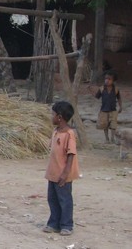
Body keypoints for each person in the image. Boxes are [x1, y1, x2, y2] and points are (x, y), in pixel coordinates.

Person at [43, 101, 80, 236]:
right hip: (53, 172)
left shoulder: (69, 134)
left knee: (64, 199)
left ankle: (66, 225)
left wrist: (65, 173)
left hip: (63, 173)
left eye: (52, 114)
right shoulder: (55, 131)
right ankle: (54, 223)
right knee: (52, 198)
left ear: (59, 117)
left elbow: (71, 154)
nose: (50, 116)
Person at [93, 71, 123, 144]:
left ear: (113, 80)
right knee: (105, 125)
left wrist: (121, 106)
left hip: (113, 110)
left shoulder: (116, 89)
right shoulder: (102, 89)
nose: (107, 80)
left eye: (109, 79)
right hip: (104, 110)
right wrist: (90, 90)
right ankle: (107, 139)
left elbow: (119, 98)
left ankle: (112, 139)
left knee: (113, 125)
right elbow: (96, 97)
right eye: (106, 78)